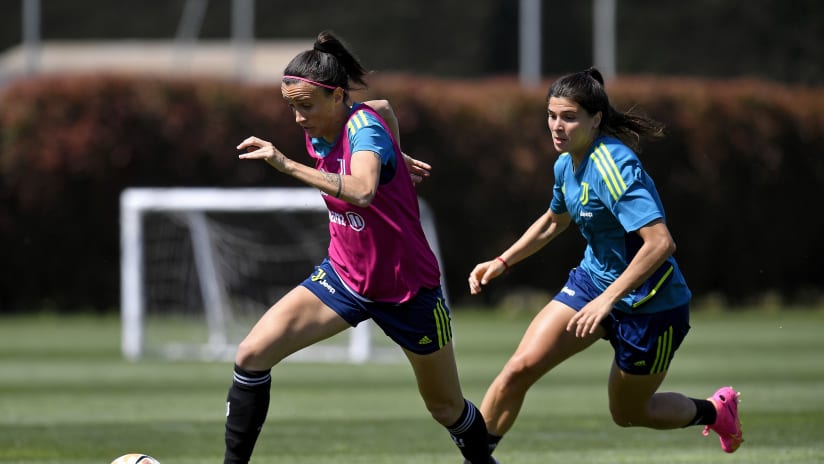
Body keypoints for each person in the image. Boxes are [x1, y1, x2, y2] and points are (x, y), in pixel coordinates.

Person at [223, 30, 497, 464]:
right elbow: (385, 107)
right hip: (344, 278)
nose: (298, 118)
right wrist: (397, 159)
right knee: (252, 355)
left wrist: (288, 163)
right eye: (292, 107)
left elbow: (363, 190)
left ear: (336, 98)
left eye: (305, 106)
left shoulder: (362, 131)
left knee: (445, 407)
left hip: (407, 291)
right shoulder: (327, 123)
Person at [467, 67, 743, 459]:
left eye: (568, 117)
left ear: (596, 119)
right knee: (518, 370)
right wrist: (502, 261)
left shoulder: (613, 166)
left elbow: (661, 243)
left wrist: (608, 300)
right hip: (592, 284)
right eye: (551, 115)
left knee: (629, 414)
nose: (556, 127)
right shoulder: (566, 164)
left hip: (651, 307)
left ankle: (717, 411)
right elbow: (553, 221)